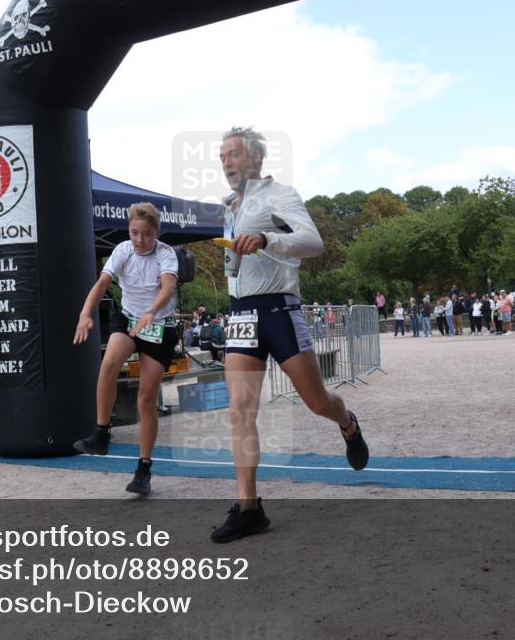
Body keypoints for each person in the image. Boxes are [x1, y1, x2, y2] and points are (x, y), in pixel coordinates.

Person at [211, 127, 367, 543]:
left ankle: (347, 423)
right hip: (241, 314)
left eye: (233, 154)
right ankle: (248, 507)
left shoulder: (281, 194)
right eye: (221, 155)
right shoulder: (228, 204)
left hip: (279, 309)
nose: (225, 161)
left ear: (257, 159)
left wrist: (267, 238)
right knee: (240, 410)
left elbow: (313, 242)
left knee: (317, 402)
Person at [72, 202, 179, 496]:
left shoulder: (166, 254)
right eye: (134, 233)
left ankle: (144, 469)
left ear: (156, 232)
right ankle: (102, 433)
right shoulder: (122, 250)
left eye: (146, 234)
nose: (140, 240)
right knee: (108, 366)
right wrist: (85, 314)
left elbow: (168, 287)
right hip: (130, 318)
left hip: (160, 325)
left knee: (146, 398)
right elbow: (103, 282)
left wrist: (152, 311)